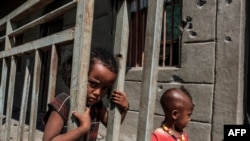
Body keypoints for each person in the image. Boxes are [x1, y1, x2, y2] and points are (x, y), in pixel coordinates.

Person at [42, 48, 129, 141]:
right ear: (79, 75)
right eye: (93, 83)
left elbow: (111, 124)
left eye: (105, 88)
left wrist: (124, 109)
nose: (98, 93)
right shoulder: (64, 102)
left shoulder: (97, 105)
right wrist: (83, 129)